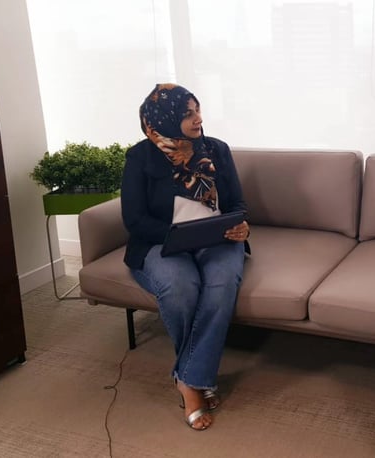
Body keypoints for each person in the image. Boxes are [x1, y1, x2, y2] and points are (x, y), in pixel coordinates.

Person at [121, 83, 250, 431]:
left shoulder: (217, 150)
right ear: (163, 118)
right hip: (160, 243)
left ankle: (189, 379)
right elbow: (134, 220)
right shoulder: (140, 157)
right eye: (187, 113)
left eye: (198, 110)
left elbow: (237, 204)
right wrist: (177, 235)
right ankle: (198, 378)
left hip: (218, 239)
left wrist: (242, 226)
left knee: (221, 285)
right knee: (179, 288)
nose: (198, 119)